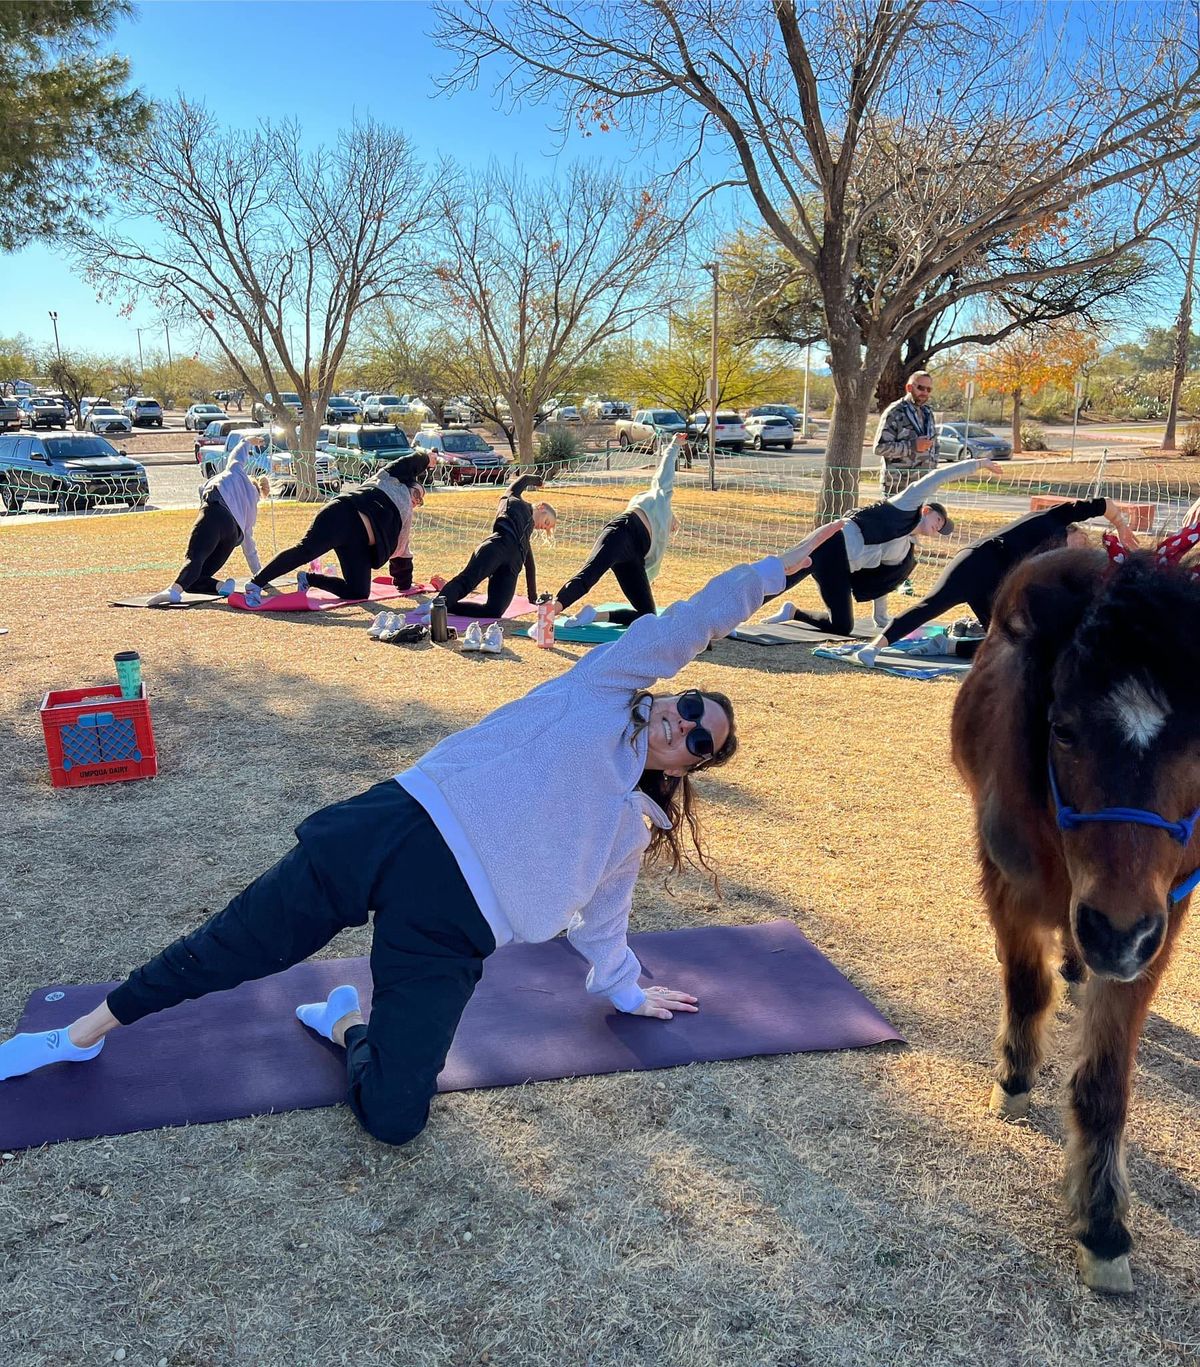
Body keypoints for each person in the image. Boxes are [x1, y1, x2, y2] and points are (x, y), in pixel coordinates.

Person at [0, 521, 845, 1147]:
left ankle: (341, 1025)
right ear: (673, 693)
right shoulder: (605, 687)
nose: (687, 725)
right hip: (401, 827)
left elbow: (604, 917)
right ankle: (74, 1038)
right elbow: (685, 620)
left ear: (693, 770)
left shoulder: (632, 821)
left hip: (453, 926)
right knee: (226, 947)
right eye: (693, 706)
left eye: (703, 742)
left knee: (396, 1117)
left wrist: (624, 989)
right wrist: (771, 573)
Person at [854, 497, 1139, 666]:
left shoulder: (1056, 561)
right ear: (1074, 531)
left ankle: (946, 646)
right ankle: (873, 648)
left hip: (994, 587)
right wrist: (1122, 527)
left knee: (1010, 643)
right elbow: (1104, 505)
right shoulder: (1055, 518)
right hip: (975, 562)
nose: (1082, 548)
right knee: (931, 605)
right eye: (1083, 541)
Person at [763, 456, 1003, 636]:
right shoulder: (906, 505)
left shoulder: (905, 550)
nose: (938, 529)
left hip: (841, 571)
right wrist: (978, 463)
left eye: (942, 528)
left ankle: (793, 612)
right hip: (831, 543)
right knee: (781, 578)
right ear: (926, 511)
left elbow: (883, 582)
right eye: (938, 521)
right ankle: (732, 617)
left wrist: (881, 619)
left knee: (842, 627)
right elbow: (936, 478)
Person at [243, 453, 434, 606]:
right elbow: (407, 463)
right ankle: (255, 584)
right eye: (417, 492)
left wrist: (405, 586)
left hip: (358, 544)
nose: (417, 499)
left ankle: (308, 579)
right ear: (408, 484)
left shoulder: (404, 518)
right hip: (343, 514)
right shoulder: (389, 479)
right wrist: (427, 459)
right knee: (306, 550)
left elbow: (402, 553)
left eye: (421, 500)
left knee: (358, 591)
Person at [549, 431, 682, 628]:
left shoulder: (660, 541)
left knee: (648, 616)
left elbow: (650, 570)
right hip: (622, 533)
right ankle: (551, 610)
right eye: (675, 524)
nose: (674, 528)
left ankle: (593, 615)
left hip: (634, 557)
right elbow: (664, 472)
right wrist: (675, 445)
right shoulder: (660, 499)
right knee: (590, 574)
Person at [146, 435, 271, 605]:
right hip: (232, 536)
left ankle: (173, 591)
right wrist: (260, 577)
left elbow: (237, 455)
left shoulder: (237, 472)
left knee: (194, 557)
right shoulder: (252, 510)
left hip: (215, 512)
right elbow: (250, 548)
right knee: (197, 576)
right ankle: (221, 587)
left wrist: (246, 441)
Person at [424, 473, 556, 621]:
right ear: (541, 507)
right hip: (495, 549)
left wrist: (533, 597)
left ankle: (444, 605)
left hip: (511, 567)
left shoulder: (524, 535)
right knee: (467, 582)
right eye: (546, 522)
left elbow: (530, 565)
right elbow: (523, 480)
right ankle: (437, 608)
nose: (542, 527)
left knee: (495, 611)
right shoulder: (514, 501)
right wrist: (538, 480)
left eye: (545, 528)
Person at [875, 371, 938, 497]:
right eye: (920, 388)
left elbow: (935, 444)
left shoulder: (927, 413)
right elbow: (879, 448)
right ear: (909, 388)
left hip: (922, 484)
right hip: (898, 486)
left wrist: (933, 468)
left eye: (928, 389)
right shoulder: (895, 412)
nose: (925, 392)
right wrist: (912, 447)